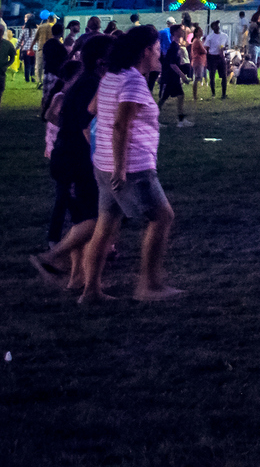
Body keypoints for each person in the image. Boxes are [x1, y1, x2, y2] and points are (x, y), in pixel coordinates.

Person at [80, 26, 181, 302]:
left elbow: (93, 109)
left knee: (106, 224)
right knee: (162, 217)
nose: (160, 55)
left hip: (102, 163)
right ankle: (149, 286)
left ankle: (91, 291)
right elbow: (121, 125)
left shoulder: (113, 76)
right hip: (131, 167)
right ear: (146, 51)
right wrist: (121, 168)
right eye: (157, 50)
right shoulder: (134, 82)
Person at [32, 38, 108, 292]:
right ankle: (51, 257)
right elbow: (88, 127)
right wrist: (101, 160)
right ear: (101, 61)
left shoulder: (83, 81)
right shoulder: (91, 84)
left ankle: (77, 278)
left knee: (81, 219)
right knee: (97, 219)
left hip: (66, 156)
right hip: (78, 159)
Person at [155, 19, 191, 128]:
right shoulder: (174, 47)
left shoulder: (175, 45)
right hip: (170, 77)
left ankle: (181, 120)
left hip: (171, 76)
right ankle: (155, 120)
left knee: (176, 96)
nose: (183, 31)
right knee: (165, 99)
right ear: (175, 32)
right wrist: (183, 76)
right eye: (181, 30)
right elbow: (172, 64)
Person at [202, 21, 228, 99]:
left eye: (218, 25)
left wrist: (223, 48)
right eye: (215, 26)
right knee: (212, 76)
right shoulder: (210, 37)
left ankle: (224, 94)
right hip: (212, 57)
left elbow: (227, 45)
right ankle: (213, 93)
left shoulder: (224, 36)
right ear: (213, 28)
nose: (217, 27)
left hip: (221, 56)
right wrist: (207, 59)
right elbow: (206, 47)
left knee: (224, 75)